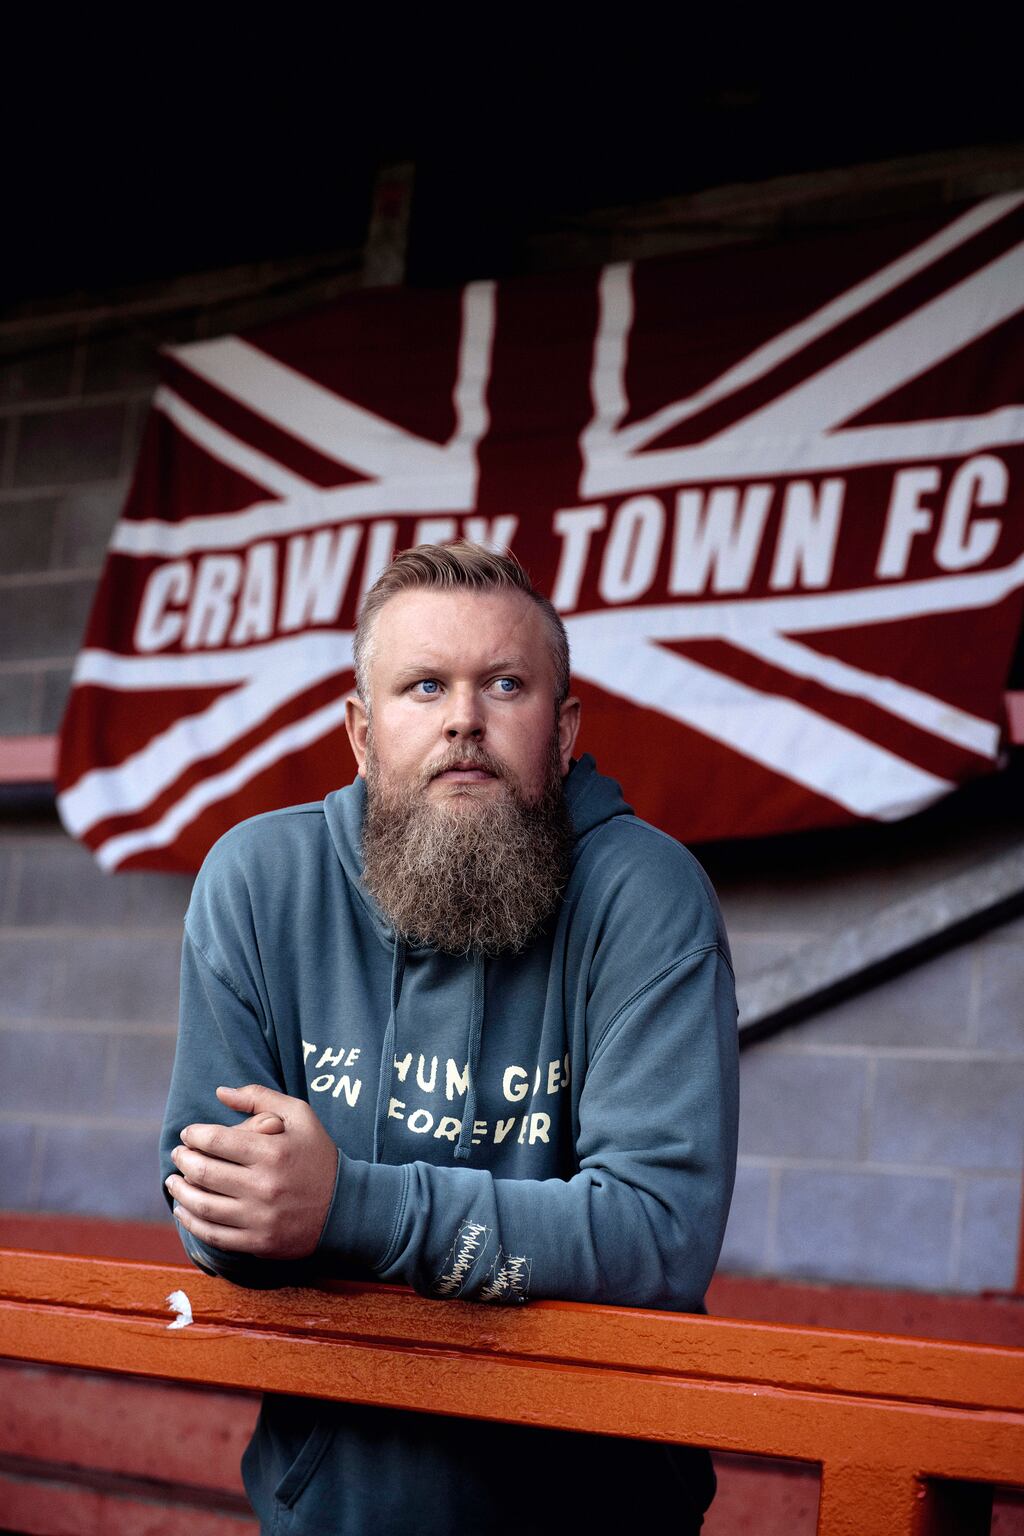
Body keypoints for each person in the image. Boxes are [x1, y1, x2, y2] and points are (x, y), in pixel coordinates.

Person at [160, 541, 739, 1536]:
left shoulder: (646, 894)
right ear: (360, 730)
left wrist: (345, 1207)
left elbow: (658, 1236)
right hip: (337, 1512)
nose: (463, 719)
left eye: (502, 685)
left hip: (597, 1514)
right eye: (423, 686)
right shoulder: (259, 885)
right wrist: (264, 1216)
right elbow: (215, 1210)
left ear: (561, 734)